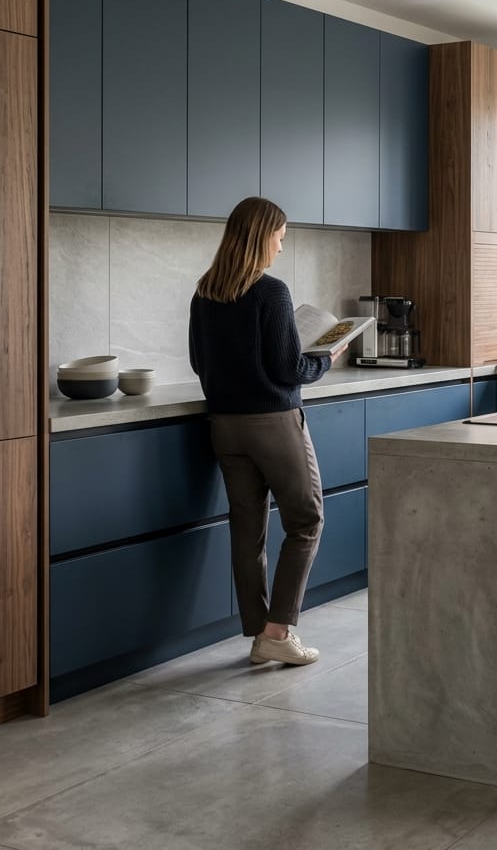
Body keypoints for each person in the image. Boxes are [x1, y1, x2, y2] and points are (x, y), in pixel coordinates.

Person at [188, 196, 347, 667]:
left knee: (247, 531)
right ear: (261, 238)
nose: (281, 246)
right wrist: (325, 358)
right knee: (306, 521)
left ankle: (260, 634)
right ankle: (277, 632)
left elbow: (199, 363)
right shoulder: (271, 292)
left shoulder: (205, 292)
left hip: (225, 426)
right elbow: (289, 369)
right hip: (273, 425)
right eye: (279, 237)